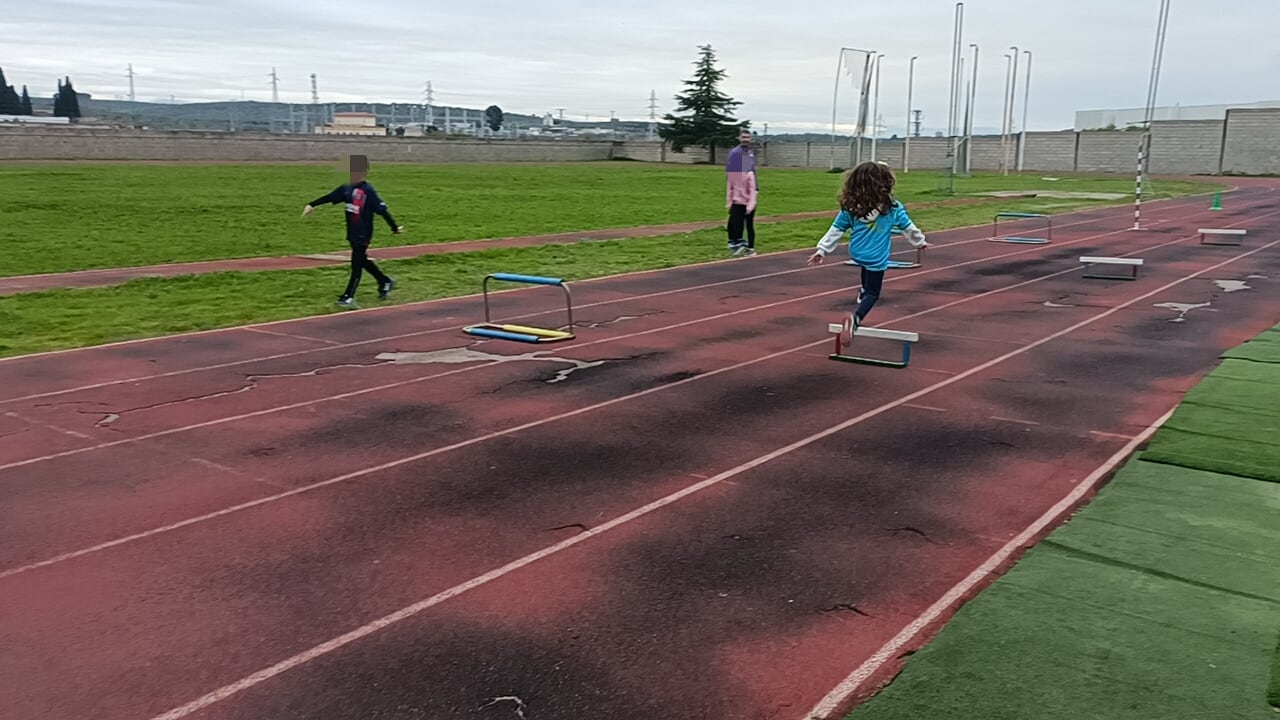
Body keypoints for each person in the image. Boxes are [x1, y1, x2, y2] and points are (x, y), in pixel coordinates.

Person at [806, 161, 927, 345]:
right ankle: (855, 319)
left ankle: (862, 291)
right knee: (873, 293)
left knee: (866, 272)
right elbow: (908, 228)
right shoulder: (893, 207)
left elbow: (836, 229)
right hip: (877, 256)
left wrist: (822, 250)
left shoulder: (852, 207)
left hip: (856, 252)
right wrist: (920, 242)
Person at [302, 154, 404, 308]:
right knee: (361, 260)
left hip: (363, 233)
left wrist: (394, 227)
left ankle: (348, 297)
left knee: (356, 264)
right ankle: (384, 281)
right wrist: (312, 205)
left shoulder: (368, 191)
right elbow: (330, 197)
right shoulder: (347, 189)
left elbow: (382, 211)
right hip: (352, 232)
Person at [725, 129, 758, 257]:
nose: (746, 139)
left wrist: (756, 190)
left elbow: (752, 172)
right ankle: (736, 244)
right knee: (736, 220)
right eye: (743, 137)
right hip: (738, 195)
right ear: (739, 138)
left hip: (749, 192)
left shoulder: (749, 153)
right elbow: (731, 176)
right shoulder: (735, 153)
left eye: (748, 137)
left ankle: (750, 247)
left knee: (749, 222)